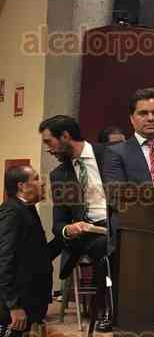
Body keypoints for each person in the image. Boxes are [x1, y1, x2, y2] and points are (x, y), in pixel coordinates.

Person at [39, 115, 114, 332]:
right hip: (90, 233)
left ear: (65, 136)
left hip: (120, 224)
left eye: (49, 142)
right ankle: (110, 310)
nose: (48, 149)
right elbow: (58, 223)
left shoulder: (110, 155)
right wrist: (68, 229)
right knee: (105, 247)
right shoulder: (59, 175)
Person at [0, 166, 56, 337]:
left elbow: (38, 255)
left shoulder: (27, 209)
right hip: (17, 307)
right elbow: (4, 260)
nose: (42, 183)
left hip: (32, 300)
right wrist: (14, 306)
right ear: (22, 186)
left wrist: (67, 235)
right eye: (36, 178)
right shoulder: (12, 212)